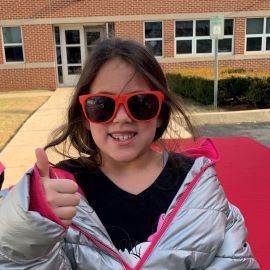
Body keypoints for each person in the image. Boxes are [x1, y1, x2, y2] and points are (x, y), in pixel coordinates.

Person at [0, 37, 259, 269]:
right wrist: (30, 224)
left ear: (160, 114)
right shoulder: (55, 190)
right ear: (85, 117)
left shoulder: (199, 185)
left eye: (141, 103)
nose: (122, 117)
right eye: (102, 105)